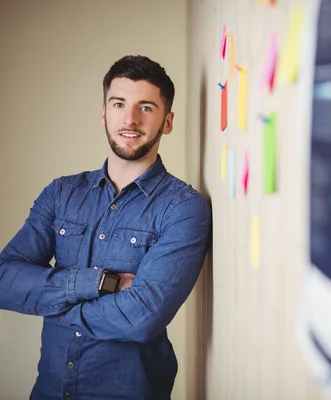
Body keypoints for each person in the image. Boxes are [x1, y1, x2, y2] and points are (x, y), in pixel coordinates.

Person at [0, 55, 212, 399]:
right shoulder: (61, 193)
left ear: (168, 121)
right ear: (103, 113)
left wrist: (55, 305)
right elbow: (4, 280)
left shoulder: (183, 208)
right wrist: (97, 282)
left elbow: (141, 318)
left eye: (146, 107)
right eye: (118, 104)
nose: (129, 119)